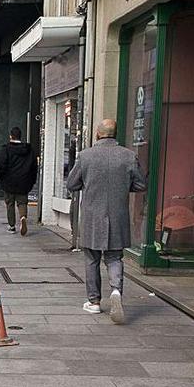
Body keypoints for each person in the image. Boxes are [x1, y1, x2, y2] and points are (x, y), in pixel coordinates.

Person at [66, 118, 147, 323]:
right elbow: (140, 185)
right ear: (115, 133)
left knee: (92, 259)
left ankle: (93, 302)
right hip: (118, 215)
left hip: (93, 216)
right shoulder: (129, 156)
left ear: (97, 133)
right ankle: (116, 293)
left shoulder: (85, 156)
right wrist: (121, 188)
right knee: (114, 258)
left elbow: (71, 184)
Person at [0, 127, 38, 235]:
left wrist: (1, 176)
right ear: (20, 136)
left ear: (11, 136)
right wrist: (32, 180)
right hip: (24, 181)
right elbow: (34, 167)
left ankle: (11, 226)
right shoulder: (29, 150)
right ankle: (23, 217)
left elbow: (1, 164)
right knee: (22, 202)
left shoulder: (6, 149)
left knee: (10, 203)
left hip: (8, 181)